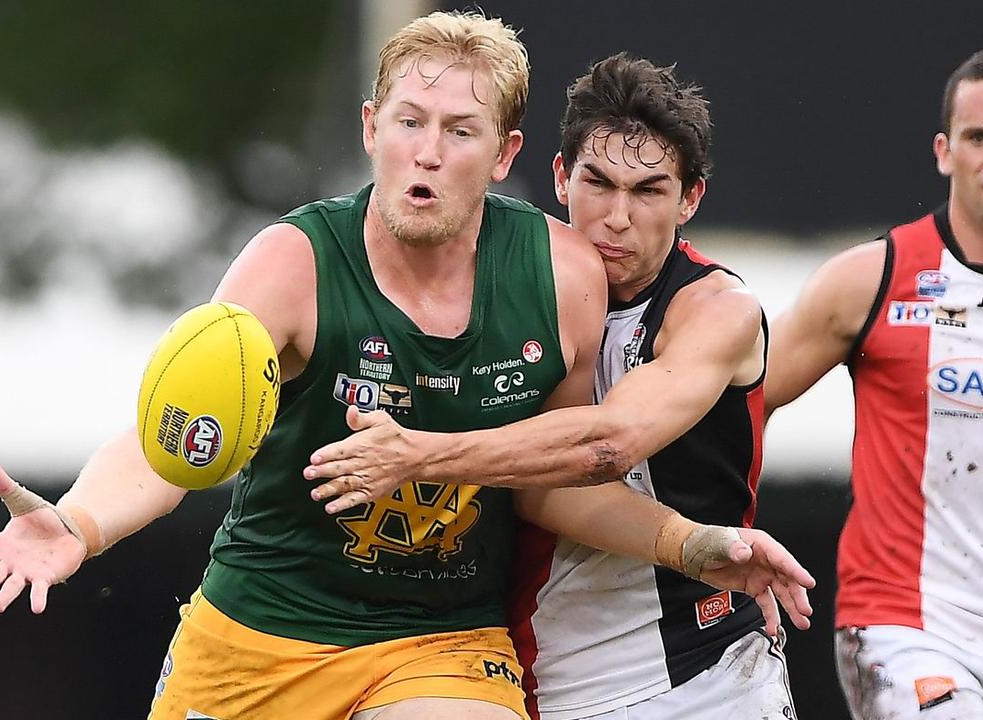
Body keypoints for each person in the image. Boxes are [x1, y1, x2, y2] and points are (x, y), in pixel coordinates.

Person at [0, 12, 812, 720]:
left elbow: (556, 478)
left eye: (459, 131)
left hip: (438, 645)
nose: (427, 152)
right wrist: (79, 524)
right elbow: (176, 435)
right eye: (409, 122)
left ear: (504, 155)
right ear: (372, 129)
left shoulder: (559, 273)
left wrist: (688, 544)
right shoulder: (291, 262)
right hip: (260, 629)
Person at [305, 53, 810, 719]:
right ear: (559, 178)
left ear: (690, 200)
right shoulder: (498, 291)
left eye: (649, 191)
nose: (616, 218)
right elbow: (541, 493)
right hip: (537, 677)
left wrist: (416, 455)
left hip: (704, 671)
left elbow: (606, 446)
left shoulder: (714, 309)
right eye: (596, 183)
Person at [764, 33, 983, 720]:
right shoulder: (868, 279)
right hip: (905, 632)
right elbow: (739, 403)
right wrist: (720, 541)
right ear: (942, 150)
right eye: (978, 136)